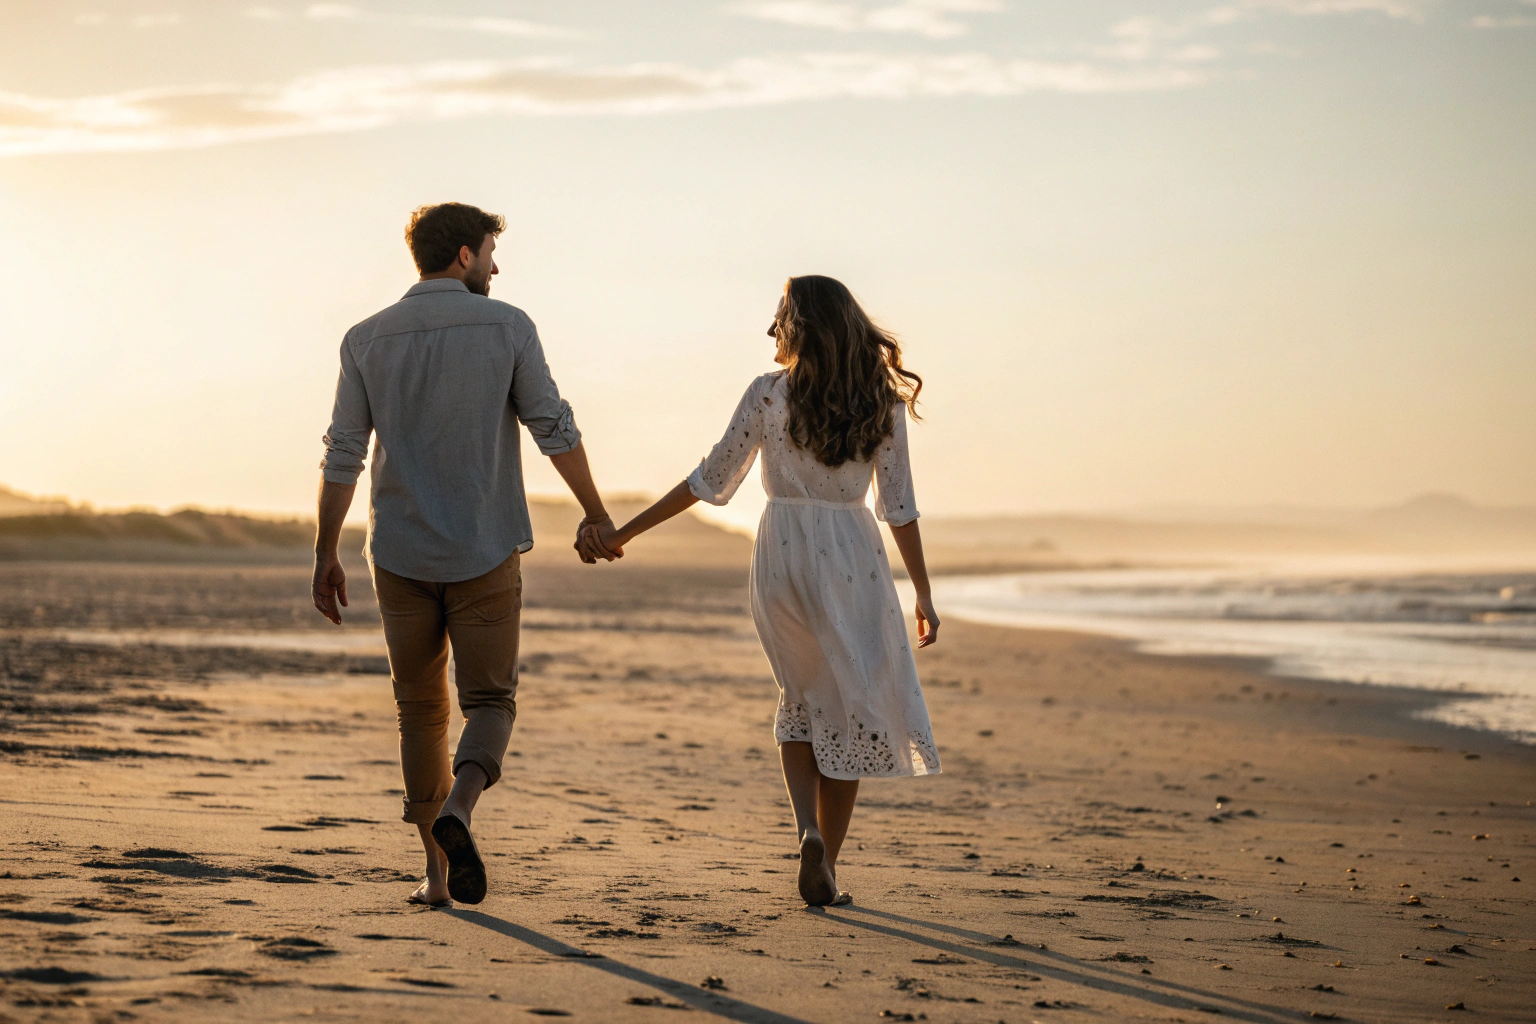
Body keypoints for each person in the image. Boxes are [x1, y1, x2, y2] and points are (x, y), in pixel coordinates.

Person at [597, 275, 941, 907]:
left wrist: (626, 530)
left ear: (803, 325)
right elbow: (900, 509)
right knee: (852, 706)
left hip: (781, 552)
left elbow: (709, 478)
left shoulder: (768, 395)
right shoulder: (880, 404)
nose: (769, 330)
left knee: (801, 699)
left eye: (779, 317)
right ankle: (827, 864)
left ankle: (806, 831)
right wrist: (922, 591)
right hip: (852, 558)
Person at [311, 202, 618, 908]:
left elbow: (343, 455)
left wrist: (326, 552)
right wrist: (595, 512)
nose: (495, 266)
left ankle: (435, 876)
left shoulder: (365, 339)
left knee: (418, 710)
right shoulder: (508, 326)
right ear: (461, 257)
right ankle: (461, 809)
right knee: (490, 701)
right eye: (488, 253)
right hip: (483, 548)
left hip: (399, 552)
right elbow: (553, 427)